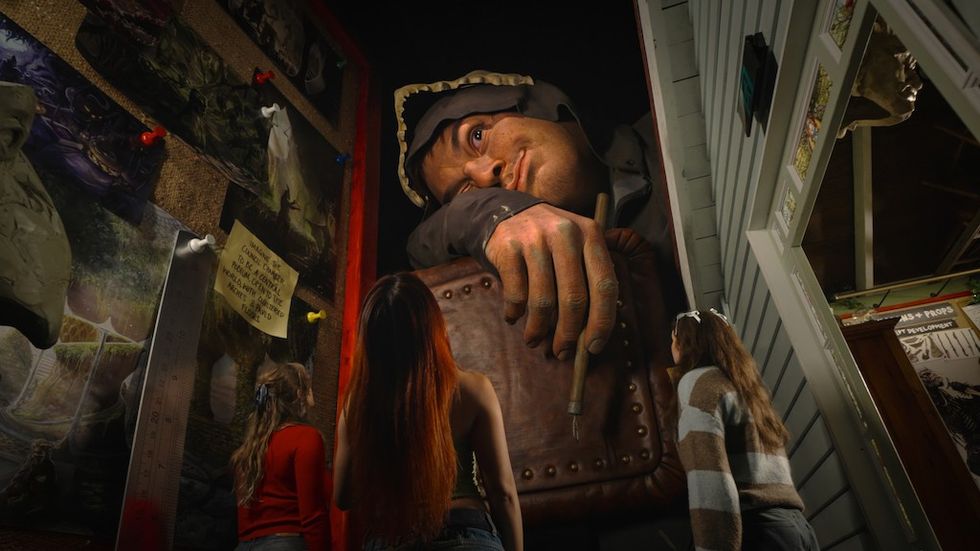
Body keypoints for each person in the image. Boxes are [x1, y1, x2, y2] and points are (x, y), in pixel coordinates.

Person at [395, 70, 685, 363]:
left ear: (532, 104)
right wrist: (485, 211)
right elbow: (417, 252)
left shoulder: (684, 111)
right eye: (467, 191)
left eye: (477, 136)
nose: (485, 175)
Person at [333, 272, 523, 551]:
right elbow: (502, 494)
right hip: (466, 534)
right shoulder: (472, 389)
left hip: (390, 539)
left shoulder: (359, 404)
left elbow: (343, 496)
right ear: (432, 325)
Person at [671, 308, 819, 550]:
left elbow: (710, 478)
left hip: (756, 533)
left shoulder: (697, 382)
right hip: (797, 529)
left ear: (684, 343)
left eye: (673, 339)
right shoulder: (746, 388)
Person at [231, 361, 329, 551]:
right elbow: (313, 516)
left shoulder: (249, 449)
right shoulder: (305, 438)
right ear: (300, 395)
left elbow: (244, 521)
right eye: (309, 387)